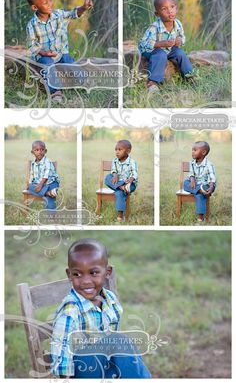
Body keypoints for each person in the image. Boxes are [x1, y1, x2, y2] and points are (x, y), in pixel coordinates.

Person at [51, 239, 151, 376]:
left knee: (126, 346)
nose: (86, 281)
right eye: (77, 274)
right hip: (82, 370)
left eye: (93, 273)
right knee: (118, 341)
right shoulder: (70, 311)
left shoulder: (110, 300)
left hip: (105, 366)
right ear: (69, 274)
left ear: (107, 272)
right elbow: (61, 357)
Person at [26, 0, 93, 93]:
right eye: (45, 2)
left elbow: (73, 14)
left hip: (61, 55)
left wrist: (84, 7)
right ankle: (55, 92)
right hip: (44, 58)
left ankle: (84, 82)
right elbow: (32, 46)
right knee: (47, 65)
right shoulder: (32, 25)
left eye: (50, 0)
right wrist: (44, 53)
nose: (50, 4)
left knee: (70, 64)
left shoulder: (58, 15)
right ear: (35, 7)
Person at [139, 0, 193, 89]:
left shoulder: (178, 24)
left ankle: (189, 76)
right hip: (153, 51)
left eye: (172, 7)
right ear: (157, 14)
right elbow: (142, 44)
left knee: (180, 53)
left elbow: (182, 37)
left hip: (170, 49)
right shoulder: (154, 27)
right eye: (164, 9)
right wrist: (160, 44)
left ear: (176, 8)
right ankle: (153, 82)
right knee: (160, 54)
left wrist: (179, 41)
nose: (170, 11)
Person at [105, 138, 138, 219]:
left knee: (119, 193)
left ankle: (120, 216)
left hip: (129, 184)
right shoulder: (115, 161)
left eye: (120, 149)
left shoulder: (132, 162)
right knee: (107, 178)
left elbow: (134, 173)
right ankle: (121, 188)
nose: (117, 152)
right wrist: (115, 175)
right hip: (118, 182)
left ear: (128, 151)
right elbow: (113, 170)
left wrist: (130, 179)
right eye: (116, 149)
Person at [182, 141, 216, 221]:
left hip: (207, 185)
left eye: (195, 150)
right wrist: (192, 180)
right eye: (192, 150)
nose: (192, 152)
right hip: (196, 184)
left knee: (200, 193)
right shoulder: (192, 163)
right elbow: (191, 173)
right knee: (186, 183)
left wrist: (210, 188)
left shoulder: (209, 164)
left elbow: (212, 178)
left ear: (203, 152)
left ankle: (200, 216)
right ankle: (200, 190)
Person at [27, 139, 60, 214]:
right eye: (37, 150)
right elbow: (32, 176)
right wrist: (30, 184)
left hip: (51, 183)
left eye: (42, 150)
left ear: (45, 151)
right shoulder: (33, 164)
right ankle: (48, 193)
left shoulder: (47, 161)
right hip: (41, 185)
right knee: (30, 187)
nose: (39, 152)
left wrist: (40, 184)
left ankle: (52, 215)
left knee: (50, 199)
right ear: (32, 152)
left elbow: (47, 174)